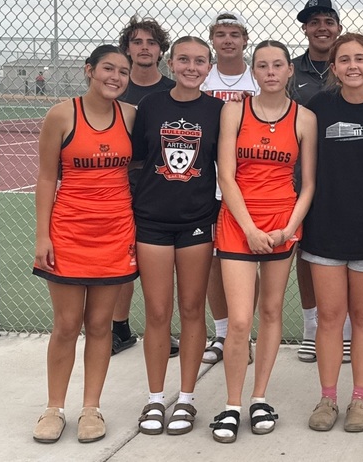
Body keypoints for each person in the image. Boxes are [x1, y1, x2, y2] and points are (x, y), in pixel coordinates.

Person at [209, 40, 316, 442]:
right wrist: (249, 228)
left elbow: (308, 185)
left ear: (290, 71)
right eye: (263, 65)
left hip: (281, 225)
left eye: (278, 65)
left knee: (271, 313)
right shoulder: (234, 110)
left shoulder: (304, 118)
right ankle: (231, 405)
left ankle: (259, 397)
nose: (270, 72)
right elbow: (226, 176)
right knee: (239, 320)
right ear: (254, 71)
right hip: (240, 223)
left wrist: (288, 228)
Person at [32, 45, 137, 443]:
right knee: (65, 325)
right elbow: (46, 178)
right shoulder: (62, 114)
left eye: (123, 71)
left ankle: (91, 407)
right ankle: (53, 408)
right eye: (108, 68)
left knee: (99, 326)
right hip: (69, 233)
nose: (115, 77)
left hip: (115, 234)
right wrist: (43, 235)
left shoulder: (131, 116)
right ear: (89, 70)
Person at [303, 33, 363, 433]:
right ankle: (328, 398)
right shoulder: (318, 108)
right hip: (326, 226)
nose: (352, 66)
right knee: (330, 318)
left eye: (360, 58)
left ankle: (360, 401)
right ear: (334, 68)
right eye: (343, 60)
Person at [132, 37, 223, 436]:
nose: (191, 66)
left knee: (191, 309)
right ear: (171, 62)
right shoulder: (151, 106)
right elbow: (136, 162)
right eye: (183, 59)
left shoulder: (218, 111)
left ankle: (186, 398)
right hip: (151, 222)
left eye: (199, 61)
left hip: (197, 222)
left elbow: (228, 170)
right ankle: (155, 398)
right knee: (157, 312)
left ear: (209, 66)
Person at [290, 0, 352, 364]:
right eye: (314, 22)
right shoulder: (292, 72)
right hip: (301, 176)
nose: (322, 27)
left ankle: (342, 328)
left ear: (338, 28)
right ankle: (313, 327)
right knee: (307, 251)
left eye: (328, 21)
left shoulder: (350, 67)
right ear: (306, 29)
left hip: (345, 177)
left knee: (345, 250)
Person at [112, 15, 175, 356]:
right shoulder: (117, 87)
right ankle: (118, 328)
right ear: (128, 49)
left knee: (162, 262)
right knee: (124, 257)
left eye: (151, 42)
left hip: (162, 186)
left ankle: (162, 330)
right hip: (121, 185)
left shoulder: (170, 90)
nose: (145, 48)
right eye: (138, 42)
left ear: (161, 50)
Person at [201, 11, 260, 366]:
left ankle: (243, 334)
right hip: (207, 185)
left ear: (244, 40)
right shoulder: (203, 82)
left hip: (247, 188)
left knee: (245, 264)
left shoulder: (256, 83)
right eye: (220, 34)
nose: (227, 40)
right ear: (213, 40)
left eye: (234, 34)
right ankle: (222, 333)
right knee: (211, 261)